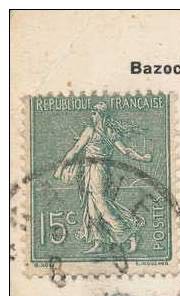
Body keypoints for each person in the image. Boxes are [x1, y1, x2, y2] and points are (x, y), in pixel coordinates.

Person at [53, 102, 152, 254]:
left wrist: (142, 158)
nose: (92, 115)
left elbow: (124, 151)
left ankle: (130, 232)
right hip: (90, 170)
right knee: (91, 206)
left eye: (94, 113)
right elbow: (76, 150)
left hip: (98, 170)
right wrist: (61, 167)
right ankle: (99, 241)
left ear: (101, 115)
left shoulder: (95, 131)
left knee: (102, 203)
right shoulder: (104, 131)